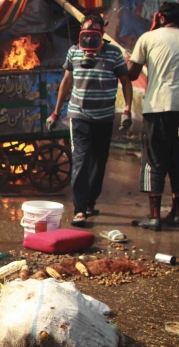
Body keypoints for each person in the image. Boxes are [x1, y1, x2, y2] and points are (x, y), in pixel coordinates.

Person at [47, 15, 133, 227]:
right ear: (81, 32)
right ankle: (79, 209)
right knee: (80, 161)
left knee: (99, 162)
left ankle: (89, 202)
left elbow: (125, 81)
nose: (90, 37)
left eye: (95, 32)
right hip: (79, 117)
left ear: (102, 32)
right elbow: (67, 81)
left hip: (104, 117)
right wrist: (56, 112)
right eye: (86, 32)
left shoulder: (114, 53)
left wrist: (128, 110)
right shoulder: (74, 50)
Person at [128, 2, 179, 231]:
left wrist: (124, 63)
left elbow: (132, 74)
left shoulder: (148, 38)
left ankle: (154, 216)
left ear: (159, 17)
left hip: (159, 107)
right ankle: (176, 214)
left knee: (154, 160)